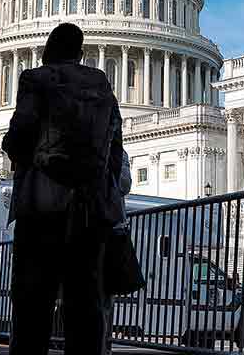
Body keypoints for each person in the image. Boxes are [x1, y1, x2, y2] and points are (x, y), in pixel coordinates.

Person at [3, 22, 124, 355]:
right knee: (85, 303)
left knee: (32, 303)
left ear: (47, 51)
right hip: (89, 209)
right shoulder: (102, 87)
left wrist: (16, 149)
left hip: (43, 205)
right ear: (80, 54)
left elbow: (20, 136)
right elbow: (115, 150)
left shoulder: (36, 80)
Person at [104, 150, 132, 355]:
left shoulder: (118, 152)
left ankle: (104, 344)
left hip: (110, 229)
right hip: (85, 225)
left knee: (106, 295)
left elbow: (124, 184)